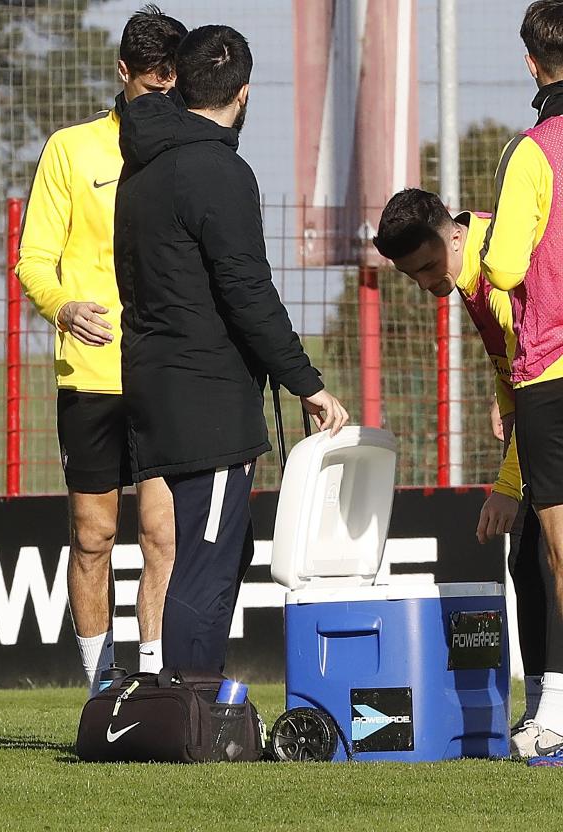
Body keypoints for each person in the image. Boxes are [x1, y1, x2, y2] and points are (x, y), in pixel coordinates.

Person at [113, 25, 348, 673]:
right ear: (242, 94)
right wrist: (308, 382)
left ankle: (176, 698)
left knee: (211, 551)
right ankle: (191, 711)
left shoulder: (143, 164)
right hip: (207, 399)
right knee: (207, 563)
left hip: (153, 385)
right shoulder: (217, 170)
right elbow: (247, 290)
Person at [16, 4, 186, 695]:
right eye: (150, 90)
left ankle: (153, 683)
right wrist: (63, 305)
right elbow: (33, 260)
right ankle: (98, 690)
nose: (161, 104)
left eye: (172, 91)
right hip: (91, 377)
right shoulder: (72, 149)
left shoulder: (190, 154)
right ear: (123, 75)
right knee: (92, 536)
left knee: (162, 536)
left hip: (168, 376)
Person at [373, 187, 556, 760]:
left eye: (429, 266)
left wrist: (506, 485)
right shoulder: (473, 270)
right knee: (531, 553)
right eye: (412, 275)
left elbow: (539, 381)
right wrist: (506, 408)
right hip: (541, 402)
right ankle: (546, 705)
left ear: (455, 234)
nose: (427, 283)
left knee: (551, 551)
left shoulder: (501, 277)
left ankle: (554, 714)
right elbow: (513, 371)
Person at [478, 0, 563, 765]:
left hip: (552, 372)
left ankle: (556, 717)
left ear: (533, 64)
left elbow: (501, 266)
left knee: (560, 553)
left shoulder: (532, 151)